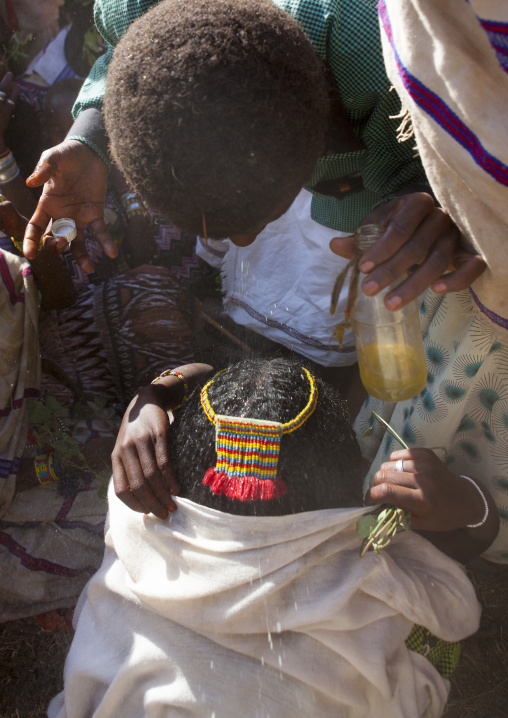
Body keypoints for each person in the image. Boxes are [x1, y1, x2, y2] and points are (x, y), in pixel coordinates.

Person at [48, 358, 486, 718]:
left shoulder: (135, 515)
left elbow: (198, 367)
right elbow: (457, 608)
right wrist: (470, 501)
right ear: (346, 484)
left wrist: (152, 395)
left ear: (173, 467)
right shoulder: (376, 580)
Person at [22, 0, 484, 310]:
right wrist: (92, 134)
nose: (241, 242)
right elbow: (126, 52)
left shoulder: (375, 45)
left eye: (248, 221)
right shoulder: (135, 8)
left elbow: (443, 145)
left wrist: (424, 194)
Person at [354, 0, 508, 564]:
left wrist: (473, 513)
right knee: (423, 405)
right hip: (468, 290)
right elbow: (462, 132)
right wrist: (444, 204)